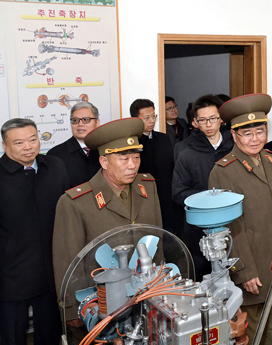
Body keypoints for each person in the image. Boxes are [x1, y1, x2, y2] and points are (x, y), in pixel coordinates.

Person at [208, 94, 272, 345]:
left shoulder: (270, 160)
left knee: (263, 327)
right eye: (247, 133)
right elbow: (228, 228)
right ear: (233, 134)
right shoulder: (223, 171)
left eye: (260, 131)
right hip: (251, 263)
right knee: (247, 330)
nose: (255, 139)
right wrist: (243, 270)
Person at [53, 118, 163, 324]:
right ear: (104, 162)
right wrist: (74, 309)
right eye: (124, 159)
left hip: (146, 297)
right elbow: (67, 262)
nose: (133, 165)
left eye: (136, 157)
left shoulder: (147, 186)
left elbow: (158, 240)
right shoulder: (75, 202)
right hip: (101, 305)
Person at [0, 118, 70, 345]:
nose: (28, 147)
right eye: (19, 142)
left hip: (50, 265)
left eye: (32, 139)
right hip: (11, 270)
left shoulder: (55, 167)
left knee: (48, 326)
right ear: (5, 145)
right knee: (13, 336)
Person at [172, 94, 234, 280]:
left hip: (233, 223)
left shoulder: (235, 147)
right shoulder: (186, 153)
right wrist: (209, 197)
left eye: (213, 118)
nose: (209, 124)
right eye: (203, 120)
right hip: (200, 229)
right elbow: (178, 192)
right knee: (206, 279)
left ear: (221, 119)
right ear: (195, 122)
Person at [131, 99, 181, 237]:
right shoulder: (132, 143)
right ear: (136, 119)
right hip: (144, 199)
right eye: (147, 117)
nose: (152, 120)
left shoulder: (164, 139)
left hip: (167, 197)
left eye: (154, 116)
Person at [47, 101, 101, 188]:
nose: (80, 124)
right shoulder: (56, 155)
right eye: (75, 120)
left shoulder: (105, 148)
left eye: (86, 120)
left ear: (97, 122)